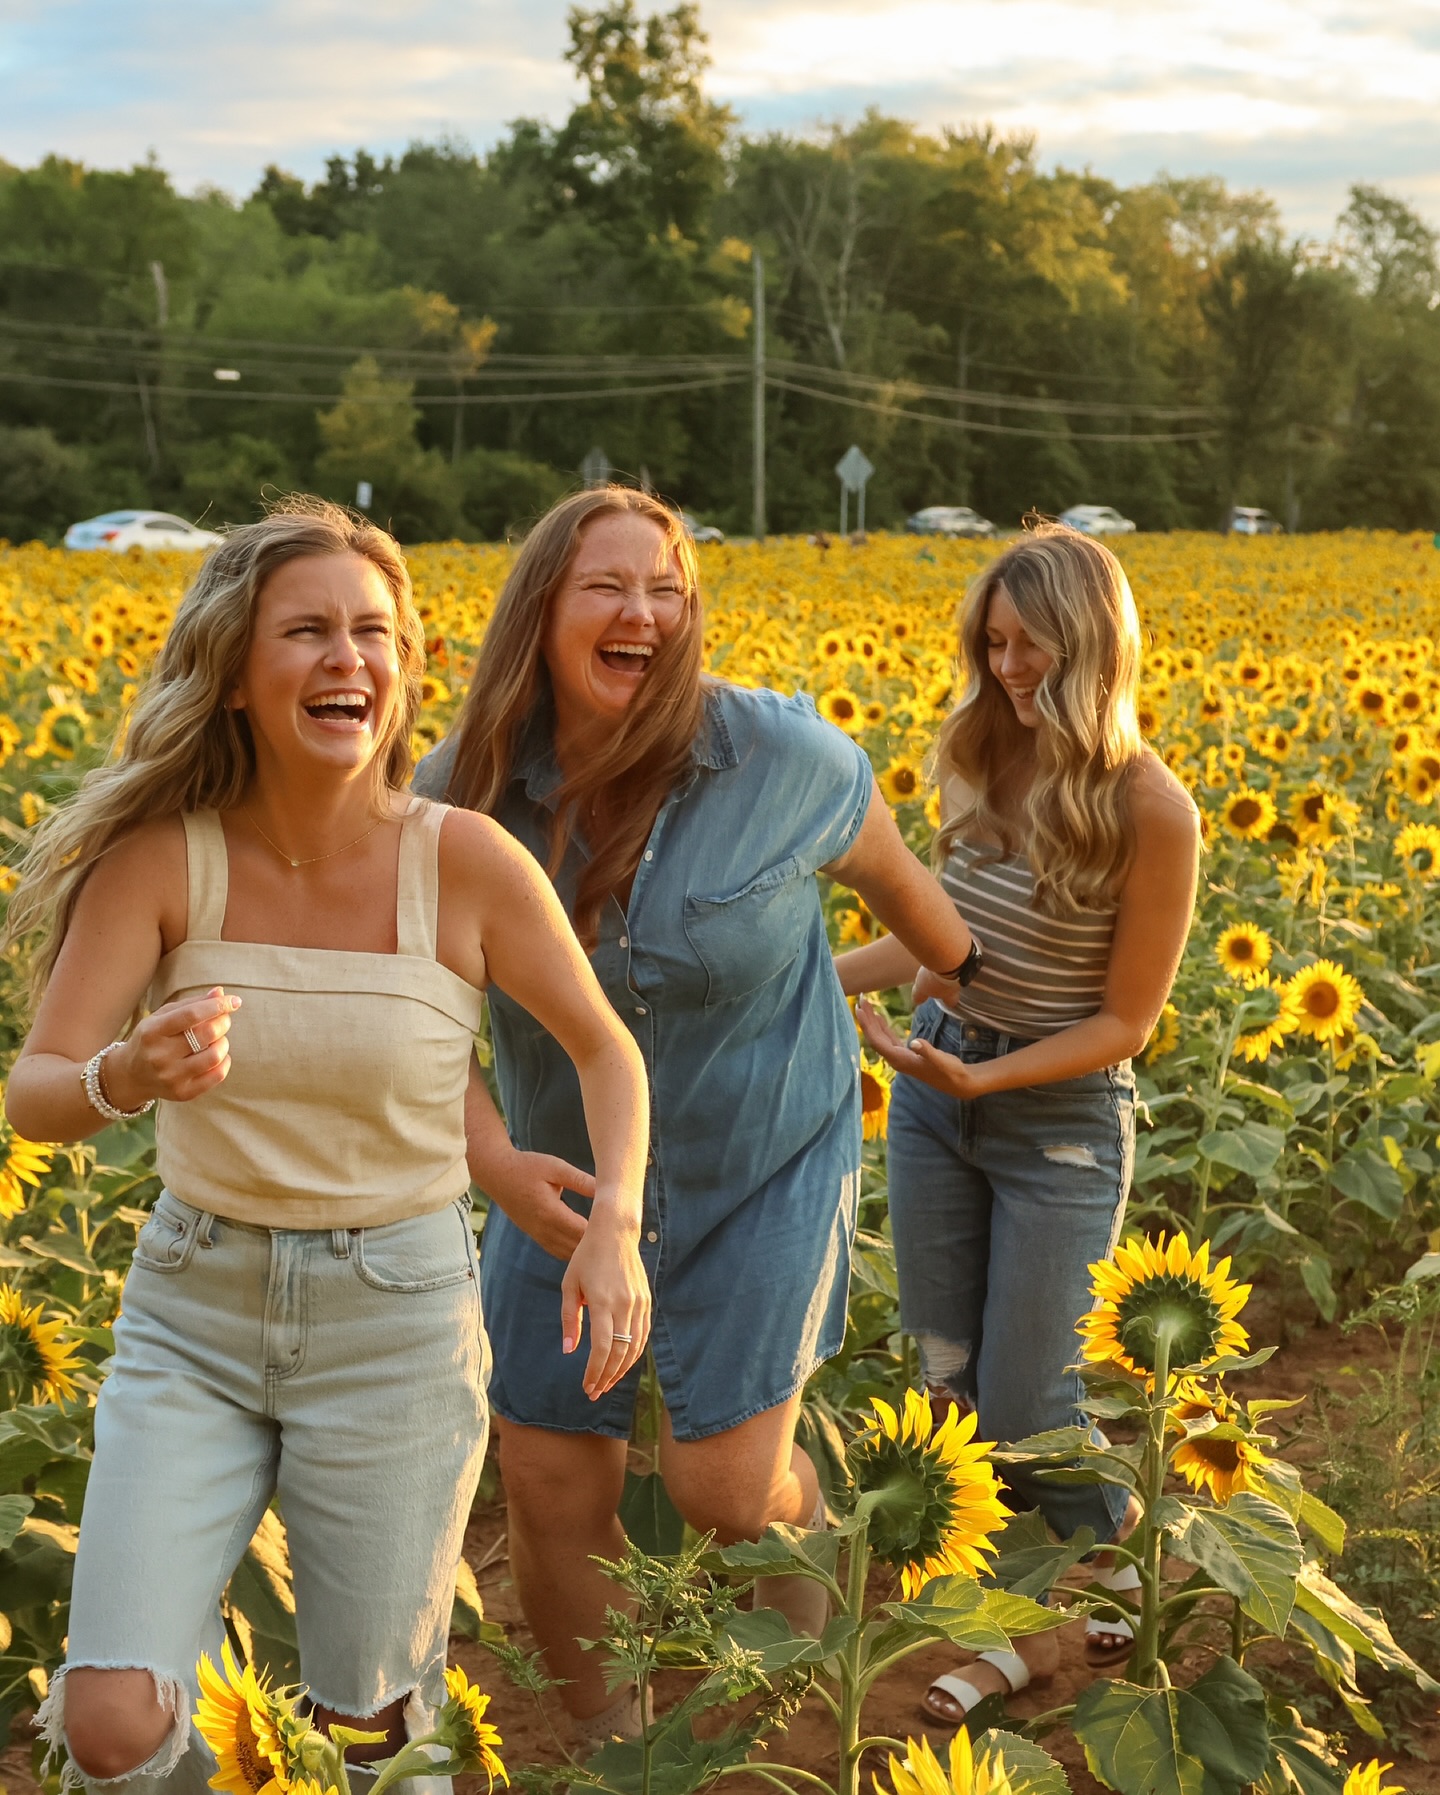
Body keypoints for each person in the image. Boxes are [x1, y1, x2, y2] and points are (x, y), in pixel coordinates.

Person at [3, 500, 651, 1795]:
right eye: (307, 629)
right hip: (195, 1304)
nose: (347, 655)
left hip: (397, 1317)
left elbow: (605, 1048)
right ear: (238, 673)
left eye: (374, 630)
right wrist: (126, 1072)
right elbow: (38, 1088)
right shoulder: (161, 860)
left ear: (403, 669)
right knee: (115, 1722)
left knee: (369, 1728)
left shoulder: (463, 862)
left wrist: (617, 1225)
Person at [413, 486, 975, 1748]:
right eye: (609, 587)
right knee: (551, 1471)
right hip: (554, 1178)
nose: (645, 614)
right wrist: (491, 1156)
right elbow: (415, 1015)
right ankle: (621, 1753)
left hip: (766, 1154)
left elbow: (934, 929)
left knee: (723, 1486)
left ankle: (805, 1627)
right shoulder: (463, 793)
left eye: (669, 589)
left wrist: (862, 1001)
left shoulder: (785, 759)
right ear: (541, 613)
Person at [837, 525, 1198, 1723]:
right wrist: (818, 978)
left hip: (1059, 1123)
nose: (1006, 667)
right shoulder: (971, 761)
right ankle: (1063, 1594)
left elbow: (1128, 1021)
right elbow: (946, 951)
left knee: (1030, 1402)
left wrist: (988, 1083)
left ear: (1093, 643)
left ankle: (1037, 1634)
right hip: (945, 1100)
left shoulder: (1153, 808)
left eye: (1030, 643)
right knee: (949, 1386)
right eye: (992, 643)